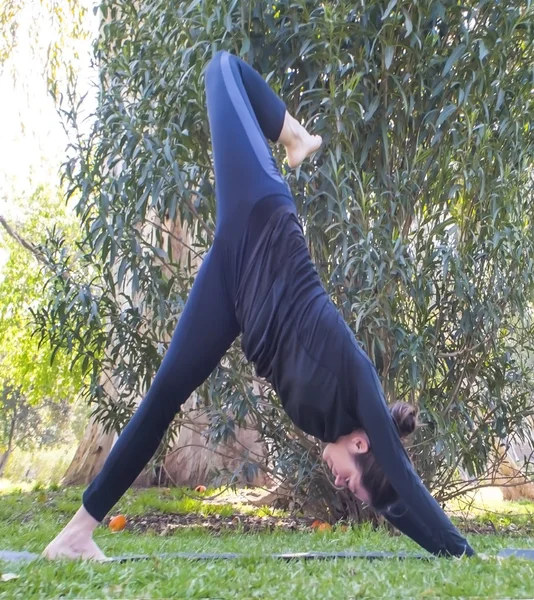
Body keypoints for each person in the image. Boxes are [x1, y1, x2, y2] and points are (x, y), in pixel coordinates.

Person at [43, 50, 474, 560]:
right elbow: (401, 480)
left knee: (164, 394)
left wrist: (409, 523)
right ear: (364, 446)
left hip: (235, 288)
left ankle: (74, 535)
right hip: (262, 221)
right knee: (221, 69)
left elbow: (391, 500)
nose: (341, 486)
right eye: (353, 484)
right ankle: (295, 138)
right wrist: (461, 553)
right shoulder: (362, 388)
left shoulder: (331, 426)